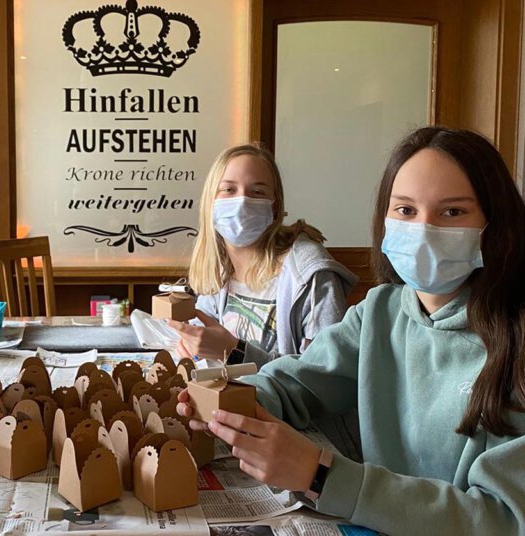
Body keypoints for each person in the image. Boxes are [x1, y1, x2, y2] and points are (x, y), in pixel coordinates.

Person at [177, 127, 525, 535]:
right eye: (406, 211)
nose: (425, 229)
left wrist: (322, 476)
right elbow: (298, 380)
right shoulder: (380, 311)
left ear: (494, 223)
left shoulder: (515, 340)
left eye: (452, 212)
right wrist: (223, 403)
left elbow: (502, 519)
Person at [169, 142, 356, 366]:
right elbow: (206, 338)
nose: (242, 202)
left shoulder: (310, 276)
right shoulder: (218, 267)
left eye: (257, 192)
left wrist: (235, 351)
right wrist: (195, 348)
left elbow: (325, 376)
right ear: (210, 203)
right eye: (228, 189)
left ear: (274, 207)